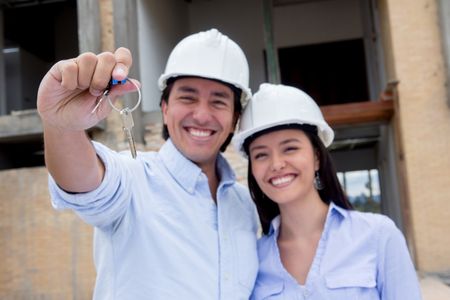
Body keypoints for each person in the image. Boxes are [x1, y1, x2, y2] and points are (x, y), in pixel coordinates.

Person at [37, 29, 259, 299]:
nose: (202, 115)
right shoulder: (132, 179)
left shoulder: (245, 205)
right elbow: (85, 183)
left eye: (218, 102)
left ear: (235, 117)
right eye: (187, 97)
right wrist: (63, 126)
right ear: (165, 108)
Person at [232, 83, 422, 299]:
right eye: (261, 155)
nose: (276, 164)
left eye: (290, 148)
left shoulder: (378, 235)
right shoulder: (253, 259)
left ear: (317, 157)